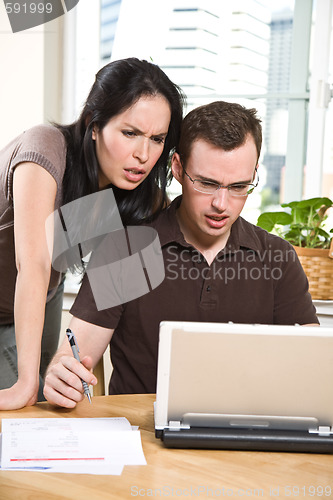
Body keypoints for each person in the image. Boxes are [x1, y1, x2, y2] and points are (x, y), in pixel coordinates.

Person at [43, 100, 319, 408]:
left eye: (239, 186)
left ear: (254, 173)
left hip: (247, 441)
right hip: (141, 439)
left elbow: (314, 370)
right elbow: (73, 356)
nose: (221, 204)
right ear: (177, 168)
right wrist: (61, 373)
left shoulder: (276, 258)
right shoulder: (127, 250)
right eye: (207, 183)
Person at [0, 57, 185, 410]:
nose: (143, 155)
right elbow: (35, 263)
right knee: (26, 400)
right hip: (24, 286)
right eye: (130, 133)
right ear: (94, 124)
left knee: (48, 404)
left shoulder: (137, 195)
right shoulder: (43, 149)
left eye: (157, 138)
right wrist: (26, 382)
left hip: (43, 296)